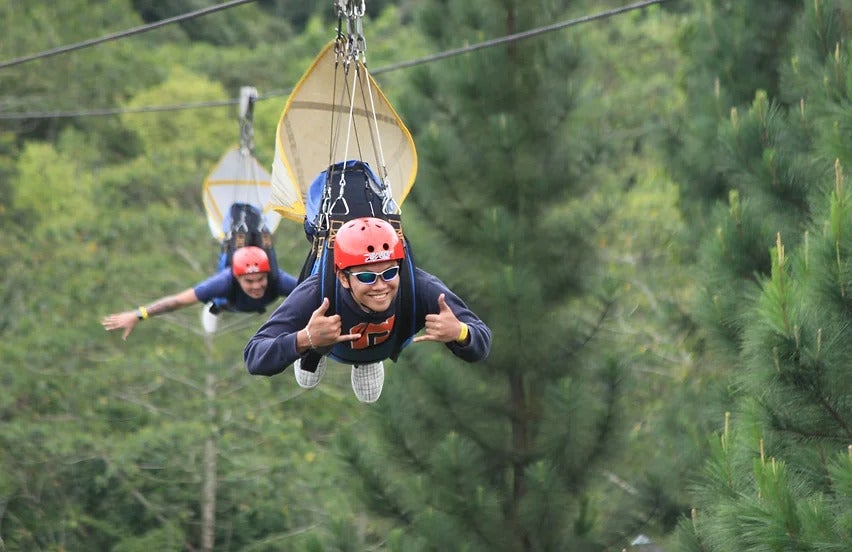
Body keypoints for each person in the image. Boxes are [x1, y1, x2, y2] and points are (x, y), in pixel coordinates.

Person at [243, 217, 491, 403]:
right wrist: (304, 338)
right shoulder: (317, 292)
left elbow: (482, 340)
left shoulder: (419, 287)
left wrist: (460, 332)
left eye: (390, 273)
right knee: (307, 379)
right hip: (324, 342)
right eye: (366, 277)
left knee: (369, 394)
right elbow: (254, 356)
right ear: (343, 277)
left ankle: (368, 360)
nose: (380, 286)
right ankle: (315, 352)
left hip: (386, 343)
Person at [102, 246, 298, 339]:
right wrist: (139, 314)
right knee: (217, 301)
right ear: (237, 278)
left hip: (265, 302)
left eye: (260, 279)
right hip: (229, 303)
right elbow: (178, 301)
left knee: (301, 302)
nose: (256, 286)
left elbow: (311, 294)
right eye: (249, 281)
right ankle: (214, 309)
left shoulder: (278, 280)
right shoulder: (223, 282)